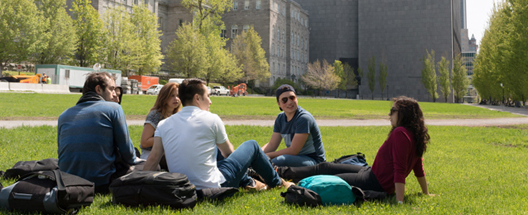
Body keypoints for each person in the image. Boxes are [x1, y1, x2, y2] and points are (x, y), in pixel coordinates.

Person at [276, 96, 434, 204]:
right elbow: (418, 168)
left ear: (404, 114)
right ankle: (279, 171)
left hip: (374, 182)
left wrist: (399, 201)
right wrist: (425, 193)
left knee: (330, 178)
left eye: (393, 111)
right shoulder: (414, 135)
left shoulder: (401, 133)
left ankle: (282, 179)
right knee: (325, 167)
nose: (389, 114)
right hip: (369, 172)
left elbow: (400, 169)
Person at [143, 78, 293, 190]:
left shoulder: (163, 124)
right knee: (252, 146)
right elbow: (228, 153)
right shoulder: (211, 119)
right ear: (197, 98)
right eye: (208, 96)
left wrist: (139, 183)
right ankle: (278, 183)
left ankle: (250, 182)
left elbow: (153, 159)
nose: (210, 101)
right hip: (214, 186)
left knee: (215, 151)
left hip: (182, 186)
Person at [57, 72, 143, 194]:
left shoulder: (64, 115)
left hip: (68, 182)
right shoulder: (114, 109)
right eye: (111, 89)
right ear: (98, 89)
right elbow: (128, 155)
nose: (114, 93)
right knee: (150, 166)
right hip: (101, 183)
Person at [261, 84, 326, 167]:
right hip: (295, 158)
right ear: (279, 104)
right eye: (284, 100)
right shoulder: (280, 118)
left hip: (314, 161)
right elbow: (272, 145)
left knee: (279, 160)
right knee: (258, 153)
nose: (289, 102)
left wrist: (266, 156)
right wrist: (258, 154)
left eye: (292, 98)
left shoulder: (304, 118)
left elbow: (293, 150)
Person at [139, 82, 181, 168]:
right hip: (151, 155)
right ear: (164, 97)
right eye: (172, 96)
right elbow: (144, 142)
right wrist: (168, 137)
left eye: (178, 96)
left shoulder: (179, 115)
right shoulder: (155, 115)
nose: (176, 99)